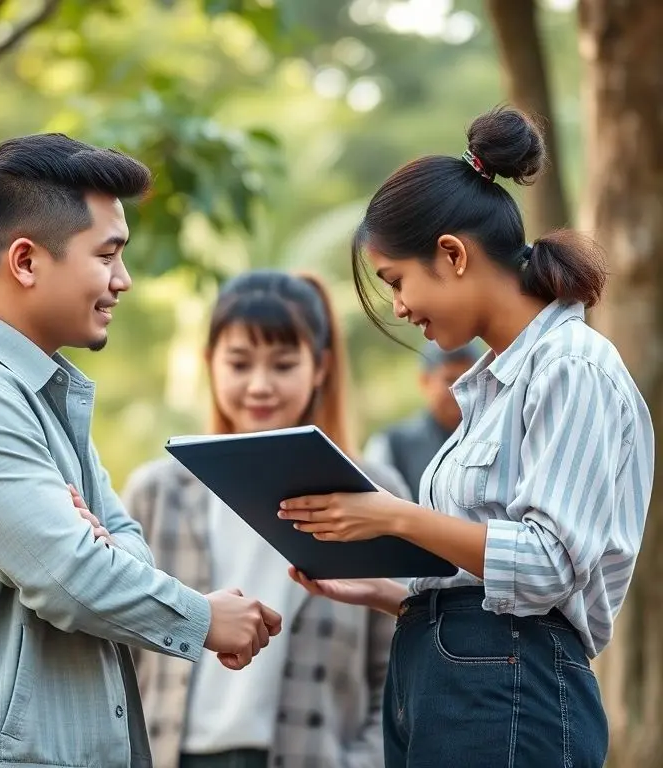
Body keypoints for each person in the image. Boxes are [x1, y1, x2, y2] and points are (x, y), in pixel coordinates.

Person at [277, 107, 654, 767]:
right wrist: (388, 592)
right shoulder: (491, 390)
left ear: (451, 254)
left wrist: (393, 517)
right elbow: (489, 574)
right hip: (445, 675)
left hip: (510, 681)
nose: (396, 306)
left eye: (396, 280)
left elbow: (546, 567)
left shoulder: (570, 366)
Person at [0, 134, 282, 768]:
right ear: (25, 261)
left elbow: (125, 546)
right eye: (107, 255)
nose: (123, 281)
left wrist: (95, 548)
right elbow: (71, 579)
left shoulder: (36, 390)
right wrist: (202, 619)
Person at [123, 269, 408, 768]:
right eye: (239, 363)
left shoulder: (373, 492)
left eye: (282, 364)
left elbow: (399, 660)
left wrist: (365, 759)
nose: (259, 386)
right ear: (210, 364)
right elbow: (122, 643)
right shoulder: (157, 492)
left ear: (319, 367)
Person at [364, 339, 485, 498]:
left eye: (470, 381)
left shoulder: (491, 437)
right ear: (425, 381)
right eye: (450, 380)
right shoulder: (392, 444)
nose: (461, 391)